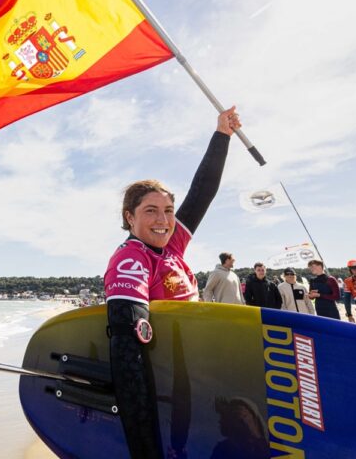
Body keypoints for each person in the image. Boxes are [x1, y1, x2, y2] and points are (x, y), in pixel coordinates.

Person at [104, 107, 241, 459]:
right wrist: (144, 449)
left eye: (167, 210)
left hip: (195, 371)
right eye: (151, 210)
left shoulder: (171, 245)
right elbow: (127, 350)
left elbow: (201, 194)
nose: (164, 220)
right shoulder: (132, 258)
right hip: (168, 382)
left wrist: (222, 136)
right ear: (129, 217)